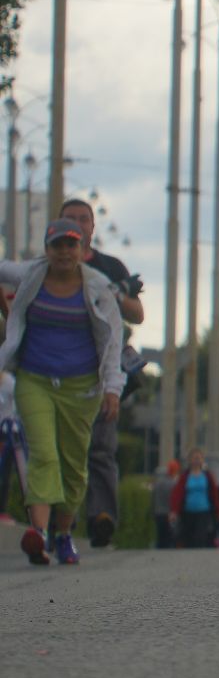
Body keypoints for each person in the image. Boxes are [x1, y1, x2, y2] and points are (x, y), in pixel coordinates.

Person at [1, 217, 128, 566]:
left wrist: (113, 388)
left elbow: (113, 341)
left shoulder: (97, 286)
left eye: (71, 245)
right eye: (57, 245)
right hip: (34, 380)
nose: (64, 252)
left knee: (74, 465)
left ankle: (63, 534)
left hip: (81, 386)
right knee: (43, 454)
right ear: (47, 249)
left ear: (83, 251)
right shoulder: (32, 275)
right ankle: (38, 535)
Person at [57, 198, 143, 550]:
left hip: (103, 368)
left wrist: (117, 295)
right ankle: (64, 519)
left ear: (92, 228)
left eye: (83, 219)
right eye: (70, 219)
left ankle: (102, 519)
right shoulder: (48, 264)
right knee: (62, 448)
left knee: (102, 449)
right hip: (60, 367)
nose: (77, 224)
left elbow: (137, 314)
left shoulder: (110, 266)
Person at [169, 451, 219, 549]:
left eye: (199, 458)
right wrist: (174, 511)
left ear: (202, 460)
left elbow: (214, 493)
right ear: (189, 461)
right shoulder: (185, 476)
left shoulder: (207, 476)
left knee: (200, 537)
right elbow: (177, 494)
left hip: (203, 511)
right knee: (188, 538)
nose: (197, 460)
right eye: (194, 458)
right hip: (188, 512)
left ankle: (198, 559)